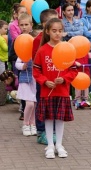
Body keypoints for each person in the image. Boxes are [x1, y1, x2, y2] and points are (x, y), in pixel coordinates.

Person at [33, 18, 78, 159]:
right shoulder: (42, 50)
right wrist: (45, 81)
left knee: (59, 119)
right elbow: (36, 71)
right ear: (47, 31)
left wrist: (64, 79)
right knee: (48, 119)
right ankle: (50, 146)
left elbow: (74, 70)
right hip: (47, 92)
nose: (57, 34)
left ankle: (59, 144)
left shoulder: (67, 49)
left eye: (60, 31)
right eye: (54, 31)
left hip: (62, 91)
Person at [32, 9, 58, 144]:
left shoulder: (58, 41)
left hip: (55, 80)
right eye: (52, 21)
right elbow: (36, 64)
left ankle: (53, 131)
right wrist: (44, 80)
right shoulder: (38, 40)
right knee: (42, 105)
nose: (56, 24)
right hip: (43, 80)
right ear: (44, 24)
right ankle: (41, 132)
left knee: (54, 106)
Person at [15, 13, 37, 136]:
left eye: (26, 24)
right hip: (25, 77)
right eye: (21, 25)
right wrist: (22, 65)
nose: (24, 27)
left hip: (35, 77)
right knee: (28, 103)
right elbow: (17, 62)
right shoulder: (20, 41)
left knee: (34, 103)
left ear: (31, 25)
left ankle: (32, 124)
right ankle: (25, 124)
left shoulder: (34, 39)